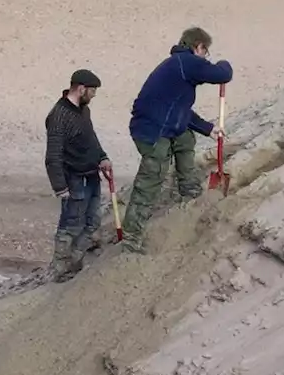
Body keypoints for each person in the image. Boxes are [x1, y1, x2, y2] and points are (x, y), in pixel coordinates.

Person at [121, 27, 232, 254]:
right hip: (151, 131)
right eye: (206, 52)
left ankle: (189, 191)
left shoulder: (177, 67)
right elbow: (222, 74)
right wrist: (224, 63)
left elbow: (180, 110)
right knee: (152, 175)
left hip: (163, 125)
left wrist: (208, 128)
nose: (205, 57)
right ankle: (132, 238)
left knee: (185, 139)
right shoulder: (185, 62)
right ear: (198, 46)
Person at [44, 68, 113, 281]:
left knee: (92, 222)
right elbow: (53, 155)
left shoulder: (84, 110)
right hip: (73, 179)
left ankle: (78, 261)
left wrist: (102, 157)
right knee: (70, 225)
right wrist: (60, 188)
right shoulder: (58, 116)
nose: (93, 95)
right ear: (81, 89)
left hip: (91, 174)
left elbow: (90, 138)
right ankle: (60, 270)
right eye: (92, 91)